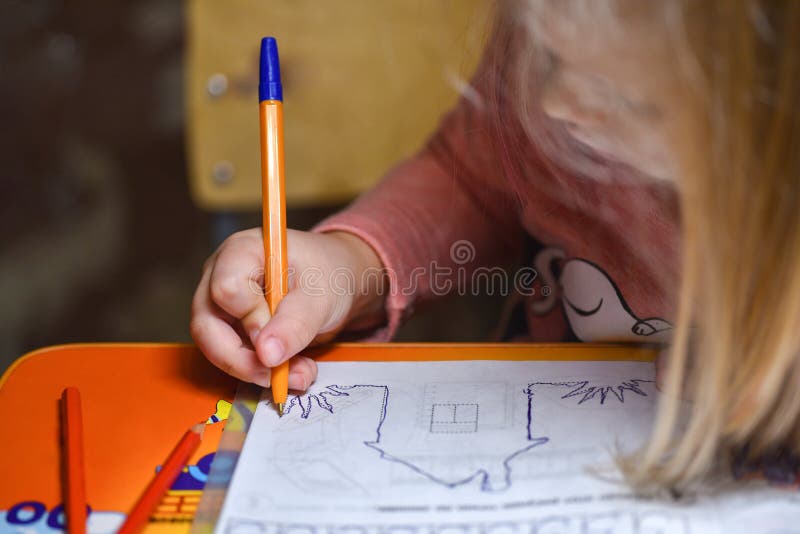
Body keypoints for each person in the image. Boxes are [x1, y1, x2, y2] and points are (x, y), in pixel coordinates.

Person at [190, 0, 800, 487]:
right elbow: (477, 180)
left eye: (628, 101)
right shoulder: (557, 58)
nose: (556, 105)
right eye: (547, 57)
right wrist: (347, 266)